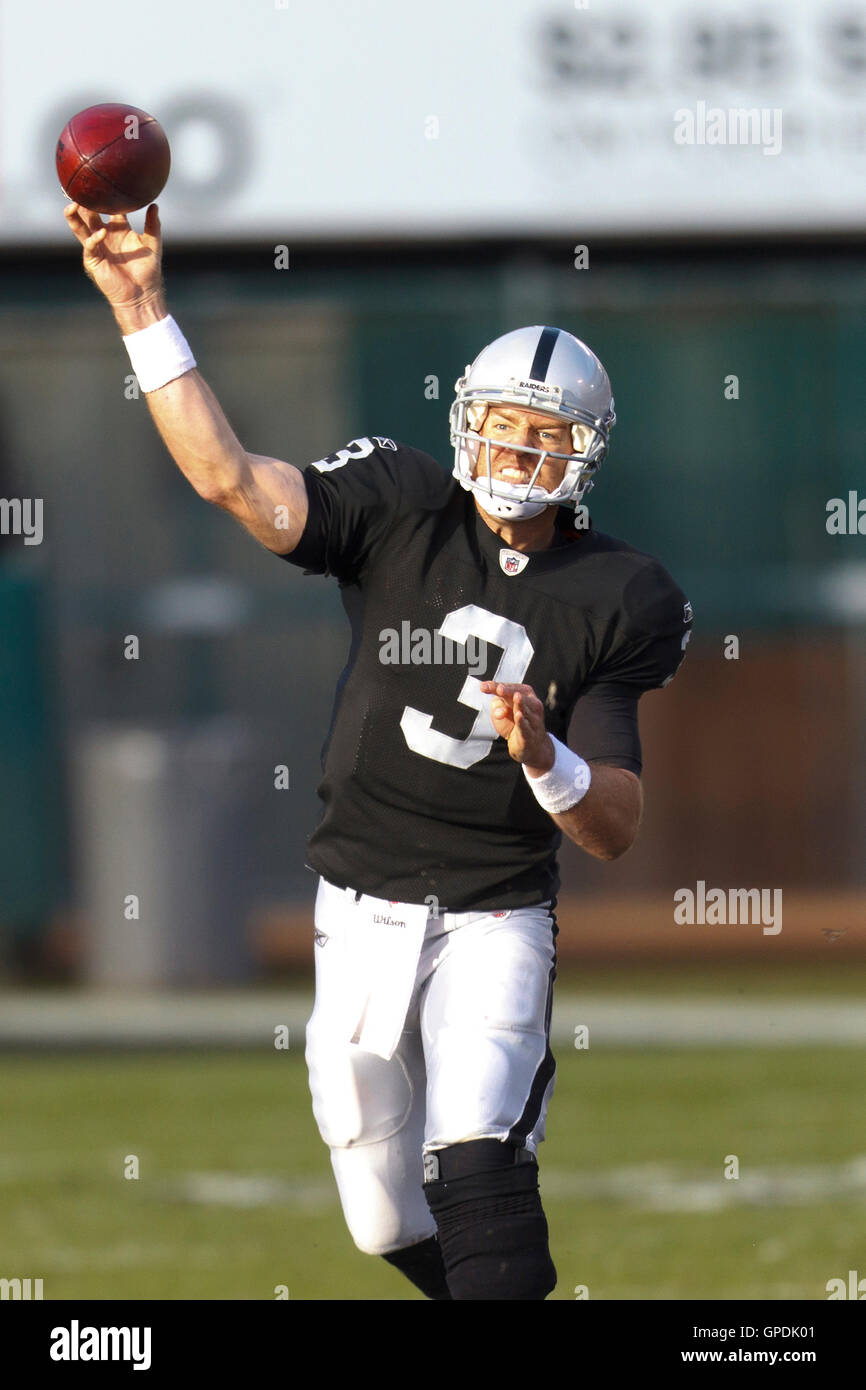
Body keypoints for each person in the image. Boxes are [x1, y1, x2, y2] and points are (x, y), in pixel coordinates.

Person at [64, 201, 692, 1301]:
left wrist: (546, 757)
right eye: (502, 422)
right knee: (379, 1217)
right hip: (357, 899)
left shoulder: (620, 592)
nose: (515, 447)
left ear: (583, 454)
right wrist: (142, 306)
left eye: (544, 432)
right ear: (464, 423)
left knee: (476, 1154)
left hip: (496, 910)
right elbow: (233, 483)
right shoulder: (401, 500)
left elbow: (617, 826)